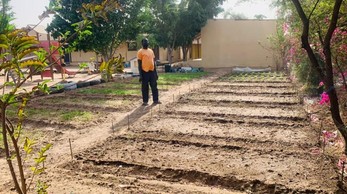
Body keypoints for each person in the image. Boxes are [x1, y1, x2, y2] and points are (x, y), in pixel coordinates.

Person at [137, 38, 161, 106]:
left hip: (152, 71)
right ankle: (145, 101)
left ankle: (156, 100)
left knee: (154, 86)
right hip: (144, 72)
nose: (146, 43)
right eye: (145, 42)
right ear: (142, 43)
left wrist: (156, 73)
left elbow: (153, 62)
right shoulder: (140, 52)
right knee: (145, 87)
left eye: (147, 42)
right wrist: (140, 75)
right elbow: (139, 64)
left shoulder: (151, 51)